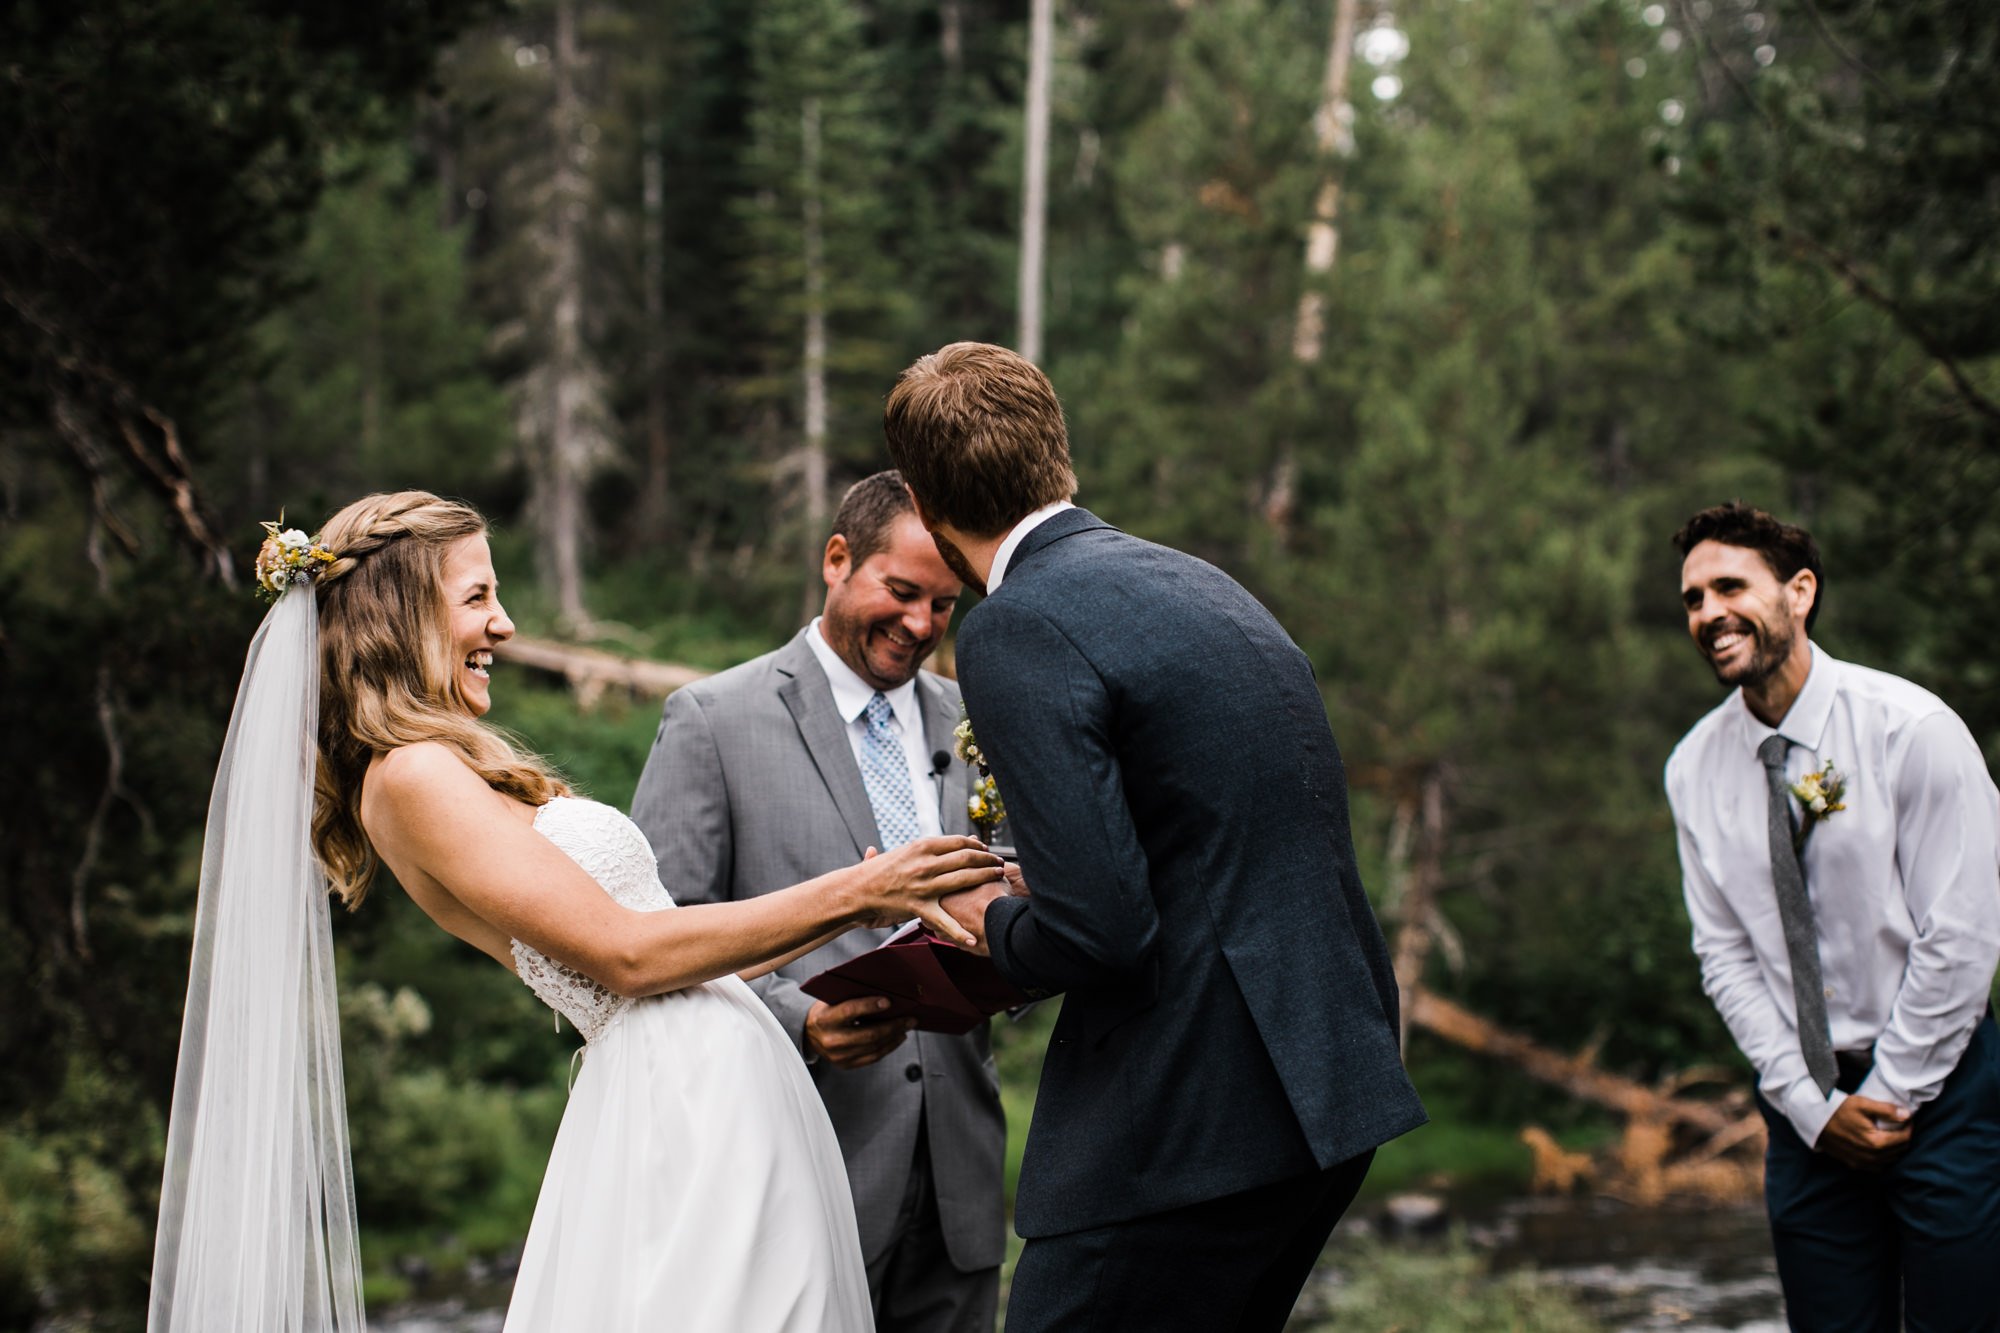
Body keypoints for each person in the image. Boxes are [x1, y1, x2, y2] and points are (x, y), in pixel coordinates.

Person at [148, 489, 1005, 1333]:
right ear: (402, 613)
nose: (506, 624)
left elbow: (668, 939)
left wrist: (886, 909)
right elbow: (628, 957)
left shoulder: (444, 768)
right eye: (477, 597)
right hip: (682, 1110)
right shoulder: (408, 778)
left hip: (719, 1088)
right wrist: (858, 889)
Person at [882, 343, 1428, 1333]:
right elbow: (1207, 839)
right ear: (1057, 454)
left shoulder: (1015, 627)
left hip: (1184, 1125)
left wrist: (988, 920)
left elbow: (1101, 931)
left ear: (923, 505)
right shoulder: (1202, 586)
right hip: (1322, 1091)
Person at [630, 470, 1006, 1333]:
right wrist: (800, 1021)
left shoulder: (972, 719)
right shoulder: (710, 719)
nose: (920, 625)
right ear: (837, 559)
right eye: (902, 591)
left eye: (944, 605)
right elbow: (655, 946)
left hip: (960, 1185)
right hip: (791, 1164)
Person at [1663, 502, 2000, 1333]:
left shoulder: (1912, 731)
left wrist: (1888, 1095)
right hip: (1804, 1110)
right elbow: (1726, 957)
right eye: (1693, 599)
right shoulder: (1693, 769)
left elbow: (1960, 937)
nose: (1708, 613)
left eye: (1729, 586)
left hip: (1944, 1090)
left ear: (1800, 591)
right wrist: (1814, 1106)